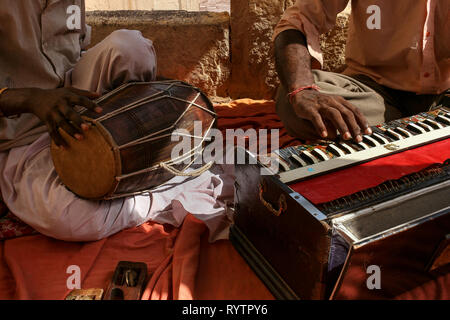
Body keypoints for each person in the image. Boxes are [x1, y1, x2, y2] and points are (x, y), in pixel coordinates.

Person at [0, 1, 233, 241]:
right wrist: (31, 98)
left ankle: (139, 156)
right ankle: (172, 187)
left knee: (132, 48)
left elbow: (76, 50)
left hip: (71, 97)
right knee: (72, 220)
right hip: (18, 133)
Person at [274, 0, 449, 142]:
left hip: (444, 97)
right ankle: (421, 127)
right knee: (292, 101)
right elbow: (299, 20)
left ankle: (390, 131)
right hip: (372, 95)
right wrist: (303, 89)